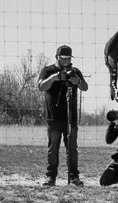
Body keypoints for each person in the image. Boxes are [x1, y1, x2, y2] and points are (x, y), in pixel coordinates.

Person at [38, 46, 89, 185]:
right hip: (53, 117)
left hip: (71, 118)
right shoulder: (48, 71)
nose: (66, 61)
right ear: (57, 57)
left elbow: (85, 87)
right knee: (53, 148)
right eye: (63, 58)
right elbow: (41, 86)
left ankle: (74, 177)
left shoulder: (75, 72)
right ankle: (51, 177)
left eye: (68, 58)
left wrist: (77, 81)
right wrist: (55, 78)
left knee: (72, 148)